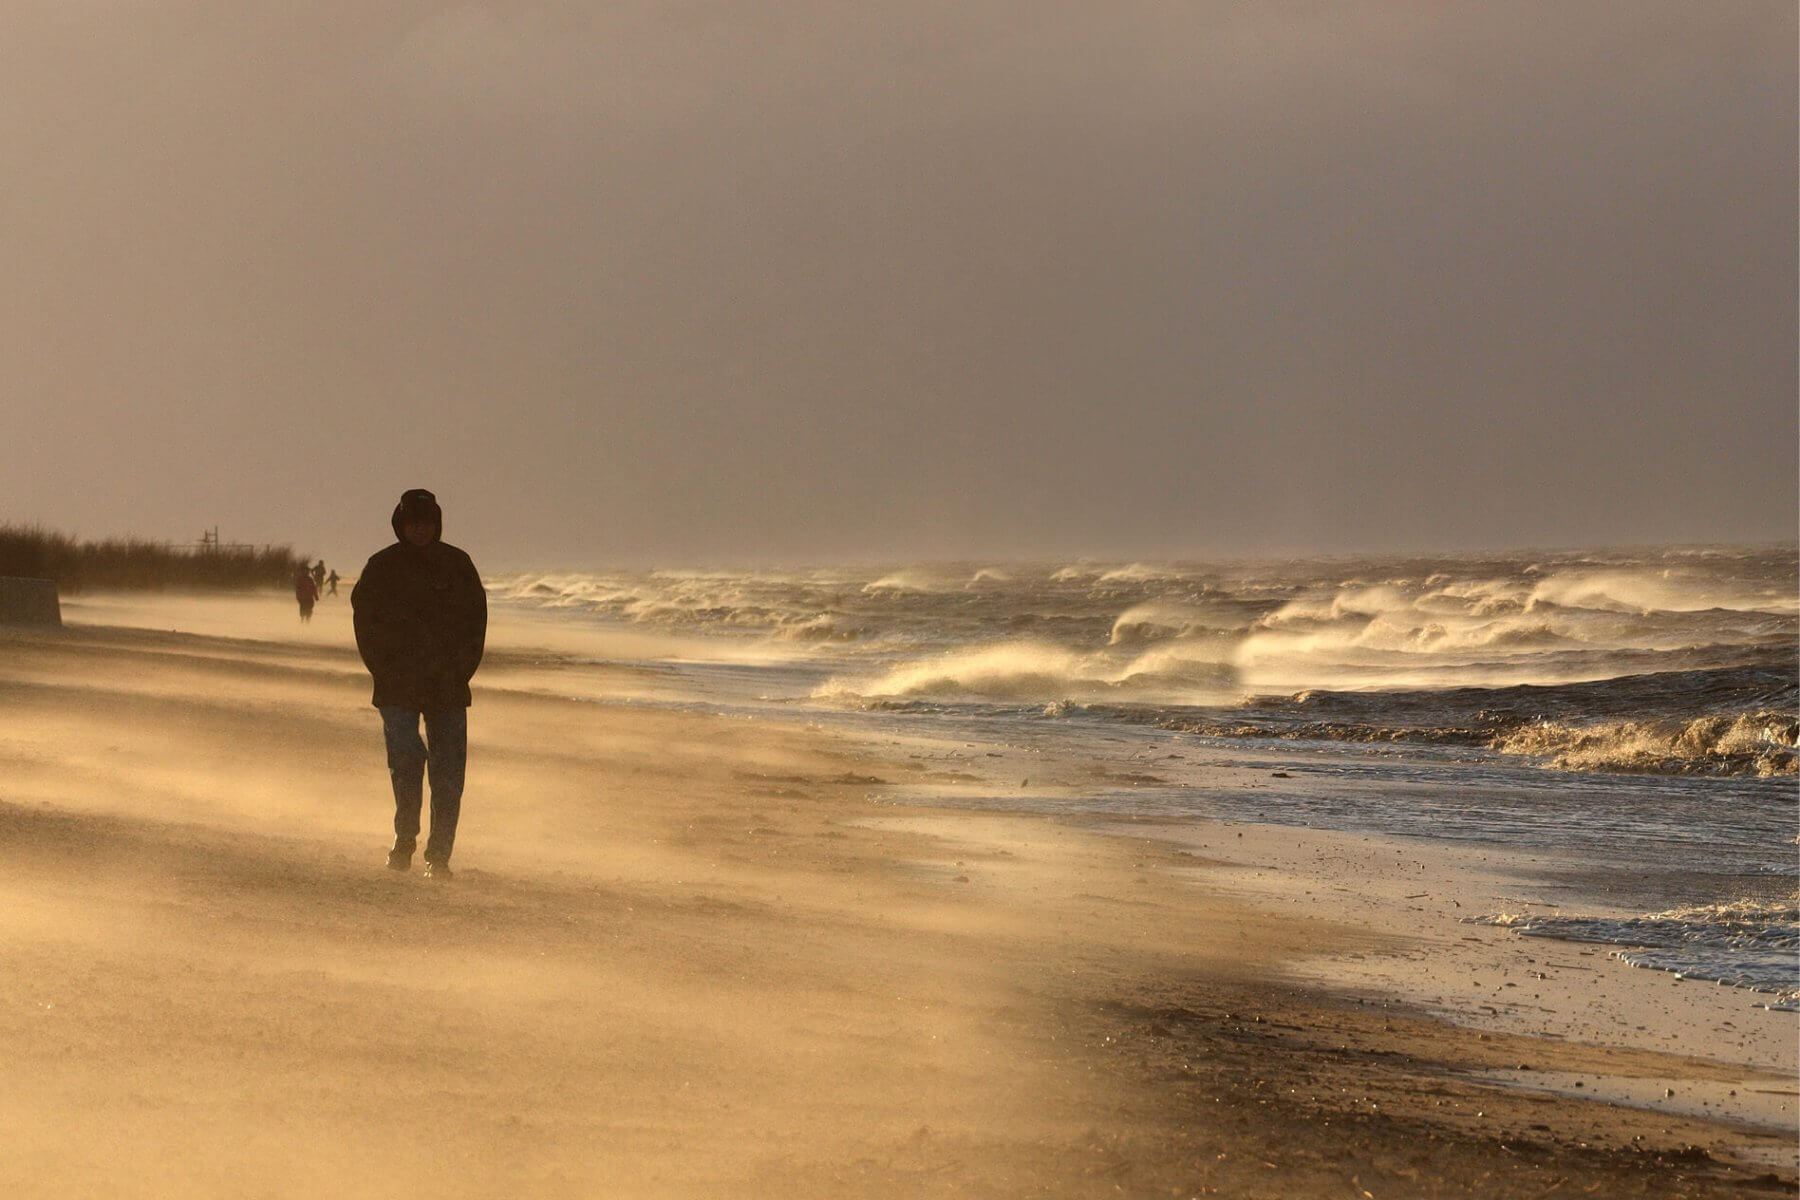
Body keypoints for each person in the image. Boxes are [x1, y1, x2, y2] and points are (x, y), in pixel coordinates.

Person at [351, 489, 487, 880]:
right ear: (401, 524)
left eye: (426, 524)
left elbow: (476, 622)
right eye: (413, 523)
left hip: (448, 685)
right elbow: (365, 623)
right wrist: (381, 669)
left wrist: (462, 671)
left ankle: (439, 855)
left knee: (448, 772)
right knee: (406, 762)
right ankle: (404, 840)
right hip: (396, 686)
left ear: (437, 524)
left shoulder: (457, 565)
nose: (420, 530)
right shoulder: (381, 566)